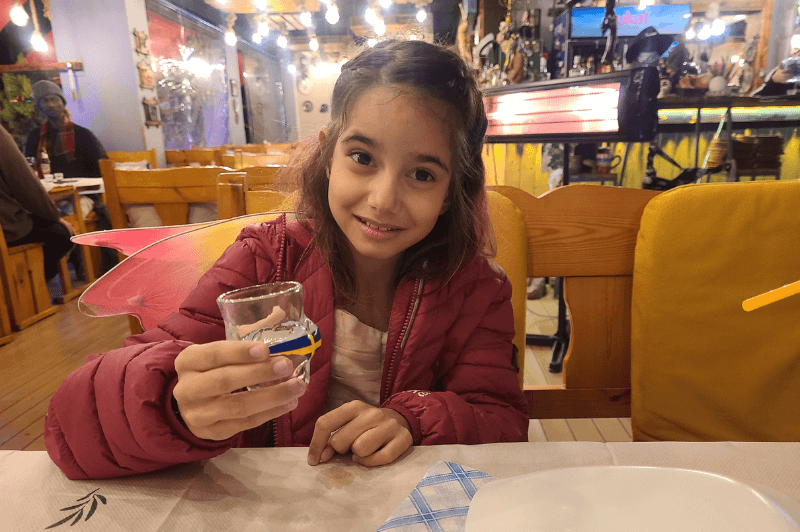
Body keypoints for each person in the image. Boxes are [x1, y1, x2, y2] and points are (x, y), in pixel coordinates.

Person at [44, 40, 529, 480]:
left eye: (422, 174)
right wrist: (171, 403)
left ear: (450, 194)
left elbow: (502, 420)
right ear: (328, 155)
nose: (383, 199)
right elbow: (70, 425)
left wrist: (413, 418)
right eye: (362, 158)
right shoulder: (264, 259)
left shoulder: (476, 289)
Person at [0, 123, 74, 282]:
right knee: (62, 234)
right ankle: (35, 287)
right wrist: (54, 216)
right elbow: (25, 184)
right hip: (7, 229)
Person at [24, 80, 108, 178]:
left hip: (82, 190)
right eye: (45, 101)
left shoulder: (83, 134)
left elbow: (102, 166)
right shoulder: (35, 137)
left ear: (63, 103)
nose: (50, 104)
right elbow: (29, 168)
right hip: (48, 190)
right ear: (39, 106)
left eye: (54, 99)